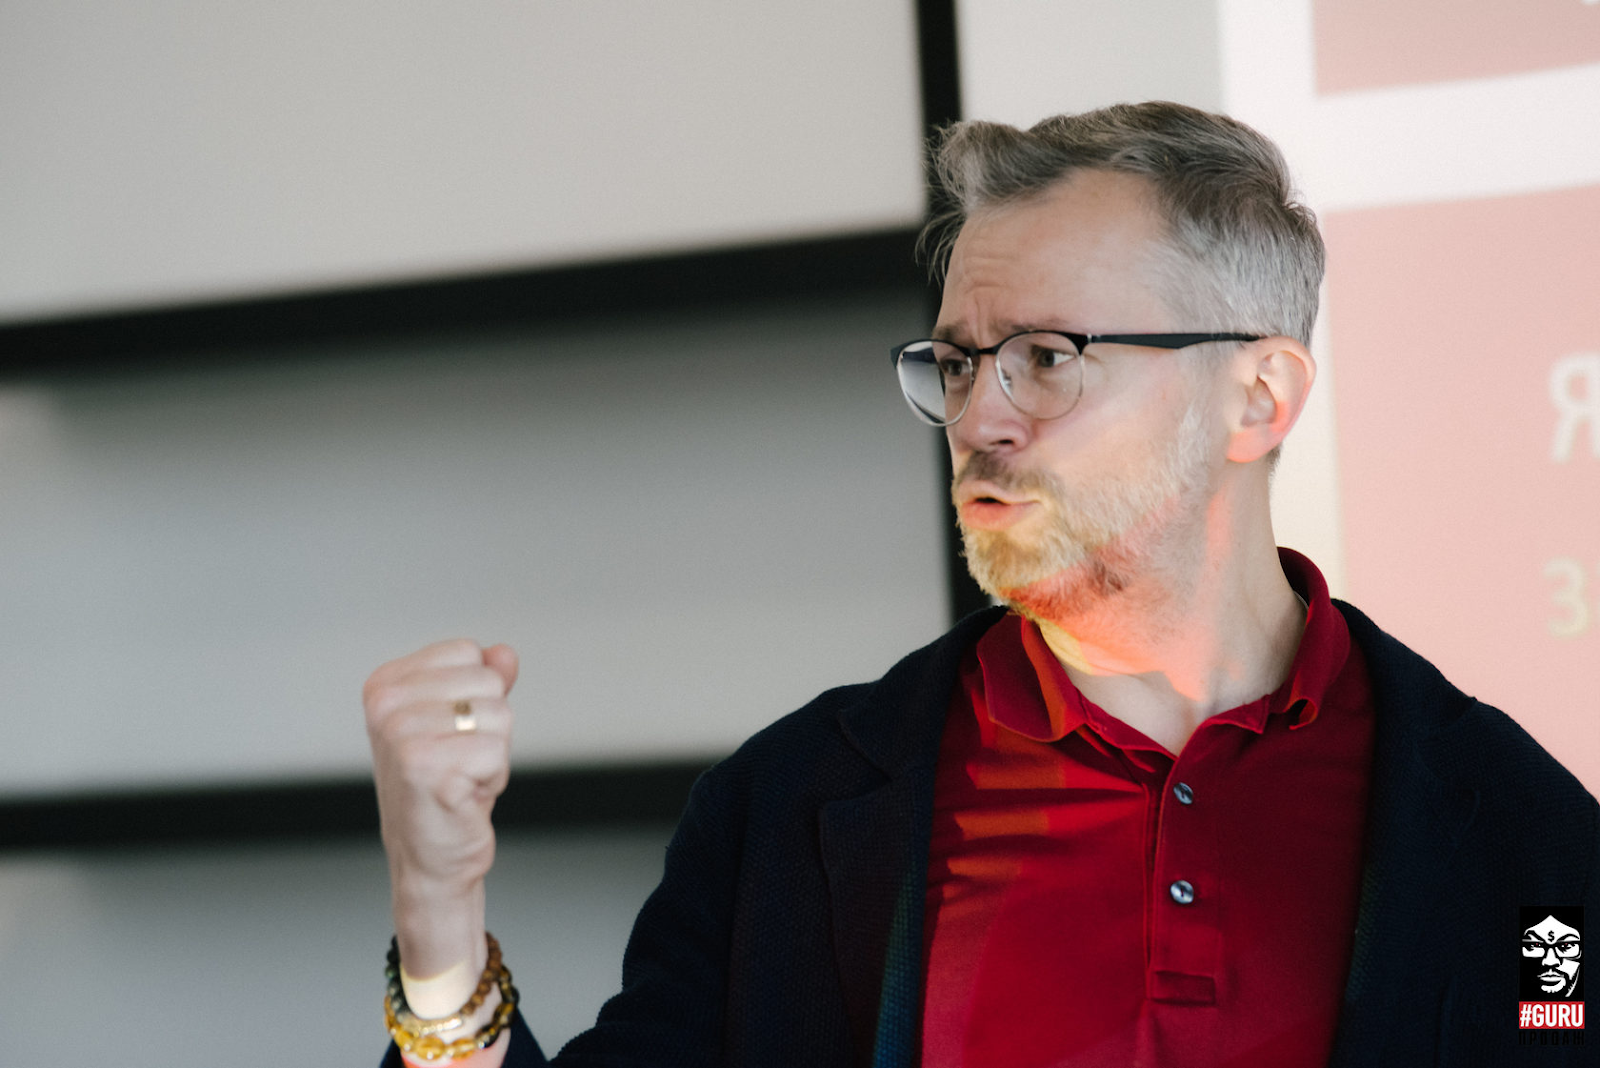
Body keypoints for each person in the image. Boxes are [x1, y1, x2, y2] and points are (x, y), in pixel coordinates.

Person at [364, 102, 1600, 1067]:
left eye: (1046, 358)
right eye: (958, 364)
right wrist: (439, 921)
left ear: (1256, 398)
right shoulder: (786, 809)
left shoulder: (1520, 832)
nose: (979, 419)